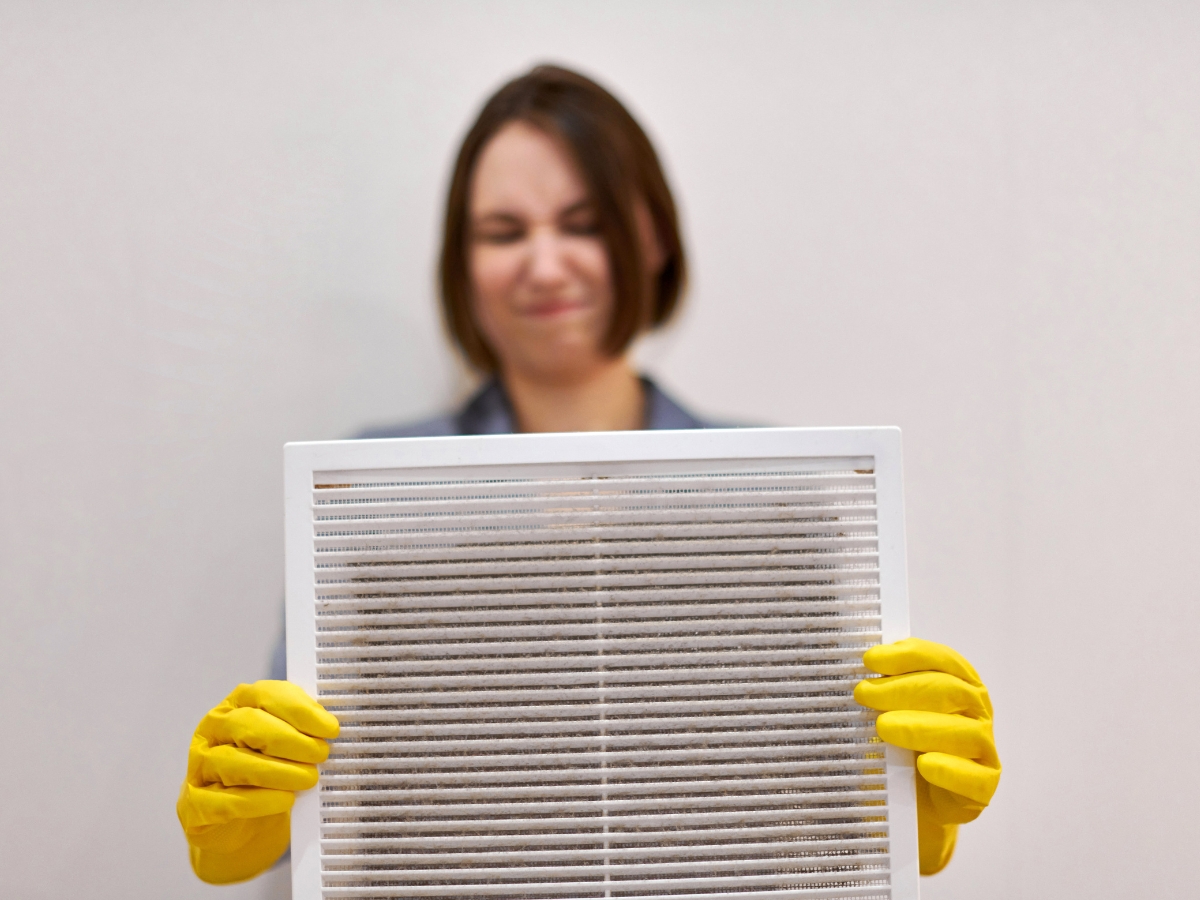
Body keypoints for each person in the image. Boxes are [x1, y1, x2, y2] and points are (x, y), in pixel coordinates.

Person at [176, 64, 1000, 885]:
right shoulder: (362, 504)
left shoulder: (780, 498)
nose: (544, 264)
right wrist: (252, 808)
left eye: (583, 223)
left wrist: (890, 809)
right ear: (463, 263)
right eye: (503, 232)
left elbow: (808, 806)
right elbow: (312, 796)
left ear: (651, 237)